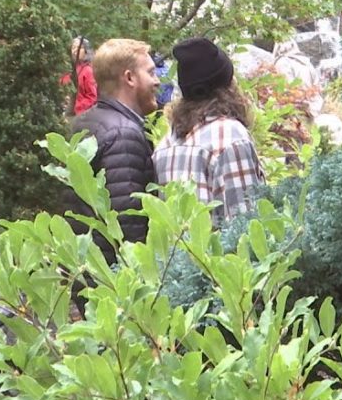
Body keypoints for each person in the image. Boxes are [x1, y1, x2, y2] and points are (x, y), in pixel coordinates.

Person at [66, 39, 160, 263]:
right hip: (116, 285)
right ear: (129, 78)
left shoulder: (85, 123)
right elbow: (129, 228)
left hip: (90, 272)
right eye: (150, 73)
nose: (157, 81)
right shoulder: (123, 135)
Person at [153, 37, 264, 226]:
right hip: (215, 255)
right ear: (228, 86)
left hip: (177, 255)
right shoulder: (230, 136)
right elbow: (246, 224)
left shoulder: (166, 144)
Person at [60, 37, 98, 115]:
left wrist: (78, 106)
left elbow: (92, 97)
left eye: (79, 48)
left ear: (86, 51)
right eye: (73, 47)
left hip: (80, 115)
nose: (75, 50)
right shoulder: (67, 70)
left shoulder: (88, 71)